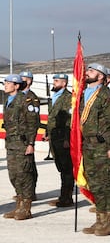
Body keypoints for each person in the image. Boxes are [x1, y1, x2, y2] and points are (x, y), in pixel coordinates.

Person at [2, 74, 40, 220]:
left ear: (16, 86)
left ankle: (26, 208)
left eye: (8, 83)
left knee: (25, 174)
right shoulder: (8, 100)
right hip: (11, 143)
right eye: (4, 83)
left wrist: (31, 143)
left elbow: (32, 123)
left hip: (22, 143)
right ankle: (19, 205)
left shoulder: (25, 100)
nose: (5, 85)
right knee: (14, 175)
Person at [80, 63, 110, 236]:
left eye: (91, 71)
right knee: (94, 183)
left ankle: (106, 222)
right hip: (88, 144)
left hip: (101, 145)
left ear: (100, 76)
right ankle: (100, 219)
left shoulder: (105, 95)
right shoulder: (83, 93)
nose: (87, 73)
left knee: (104, 184)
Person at [44, 74, 74, 207]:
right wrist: (47, 133)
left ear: (64, 83)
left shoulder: (68, 98)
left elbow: (70, 120)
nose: (54, 83)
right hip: (55, 136)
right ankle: (63, 196)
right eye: (54, 81)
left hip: (63, 137)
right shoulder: (54, 98)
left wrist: (68, 139)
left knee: (67, 168)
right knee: (61, 167)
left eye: (56, 81)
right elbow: (51, 118)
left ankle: (67, 197)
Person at [19, 71, 39, 200]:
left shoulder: (32, 98)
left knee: (29, 166)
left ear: (29, 81)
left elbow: (33, 121)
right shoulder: (17, 97)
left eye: (23, 79)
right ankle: (23, 191)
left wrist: (31, 141)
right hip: (18, 137)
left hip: (27, 136)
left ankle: (30, 192)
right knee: (21, 166)